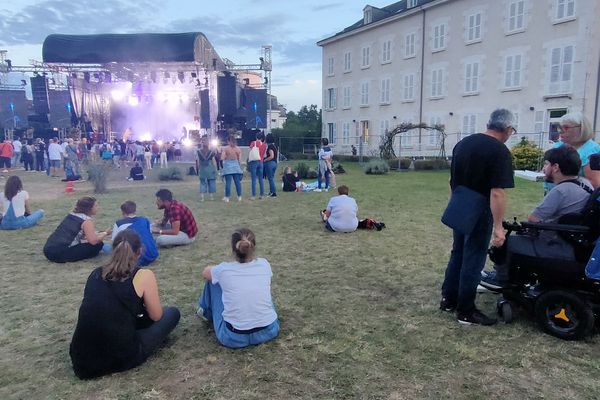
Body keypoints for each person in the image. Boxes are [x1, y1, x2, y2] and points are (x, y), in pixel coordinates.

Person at [69, 230, 180, 379]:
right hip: (121, 357)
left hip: (82, 361)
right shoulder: (144, 275)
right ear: (139, 251)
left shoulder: (96, 273)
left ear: (114, 250)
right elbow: (156, 316)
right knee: (171, 313)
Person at [440, 109, 515, 326]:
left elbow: (451, 181)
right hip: (480, 209)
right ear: (508, 129)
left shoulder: (463, 143)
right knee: (474, 258)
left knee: (458, 253)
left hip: (461, 203)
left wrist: (455, 205)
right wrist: (499, 227)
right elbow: (497, 192)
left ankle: (448, 299)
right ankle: (465, 310)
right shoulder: (499, 151)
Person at [481, 146, 593, 289]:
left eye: (546, 164)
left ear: (556, 167)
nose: (543, 168)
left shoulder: (560, 191)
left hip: (558, 245)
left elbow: (533, 219)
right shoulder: (585, 184)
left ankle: (500, 279)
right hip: (576, 243)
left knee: (505, 242)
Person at [197, 228, 279, 349]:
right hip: (268, 331)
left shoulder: (223, 270)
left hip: (233, 337)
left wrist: (218, 270)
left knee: (213, 282)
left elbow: (205, 272)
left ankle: (205, 312)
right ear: (253, 247)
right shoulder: (264, 264)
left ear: (233, 249)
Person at [43, 196, 111, 263]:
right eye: (96, 206)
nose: (98, 208)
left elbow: (81, 235)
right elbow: (93, 241)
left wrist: (99, 233)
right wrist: (105, 233)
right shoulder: (86, 220)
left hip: (48, 251)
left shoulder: (71, 215)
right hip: (60, 254)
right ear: (89, 208)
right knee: (98, 245)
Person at [547, 112, 600, 190]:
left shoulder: (591, 150)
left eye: (566, 127)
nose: (560, 131)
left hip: (576, 198)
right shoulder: (558, 146)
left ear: (581, 129)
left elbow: (595, 184)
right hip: (555, 194)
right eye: (559, 127)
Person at [112, 201, 159, 266]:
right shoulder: (144, 220)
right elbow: (149, 235)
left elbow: (115, 243)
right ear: (135, 210)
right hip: (152, 255)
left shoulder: (119, 224)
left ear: (123, 212)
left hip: (135, 258)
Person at [221, 134, 243, 202]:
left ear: (228, 141)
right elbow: (240, 160)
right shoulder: (238, 149)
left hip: (228, 166)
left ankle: (227, 197)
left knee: (228, 182)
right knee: (237, 182)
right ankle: (239, 196)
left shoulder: (226, 149)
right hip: (236, 166)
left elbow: (222, 158)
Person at [196, 137, 218, 201]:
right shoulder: (211, 152)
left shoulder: (199, 152)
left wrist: (198, 169)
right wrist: (216, 169)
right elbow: (214, 161)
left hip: (202, 169)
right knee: (211, 182)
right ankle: (211, 197)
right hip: (210, 169)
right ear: (208, 144)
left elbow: (198, 161)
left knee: (202, 182)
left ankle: (202, 198)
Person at [247, 131, 267, 199]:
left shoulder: (253, 143)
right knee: (260, 179)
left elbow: (251, 151)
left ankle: (253, 195)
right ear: (261, 138)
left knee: (253, 179)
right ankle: (262, 194)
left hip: (254, 162)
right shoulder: (264, 145)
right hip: (261, 162)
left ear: (256, 137)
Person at [263, 133, 278, 197]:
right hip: (275, 163)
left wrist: (265, 160)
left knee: (270, 178)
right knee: (271, 178)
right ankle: (271, 191)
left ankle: (273, 193)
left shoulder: (270, 146)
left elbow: (271, 156)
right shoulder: (275, 146)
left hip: (270, 163)